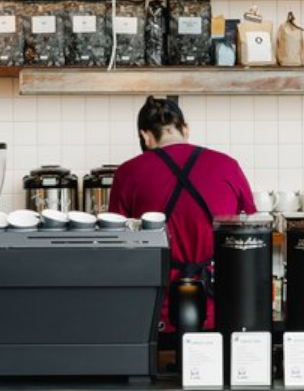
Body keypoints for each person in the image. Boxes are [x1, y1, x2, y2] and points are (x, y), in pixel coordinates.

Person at [109, 96, 255, 330]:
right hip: (219, 302)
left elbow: (117, 240)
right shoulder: (227, 165)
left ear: (146, 136)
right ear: (185, 129)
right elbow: (252, 224)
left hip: (158, 305)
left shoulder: (128, 173)